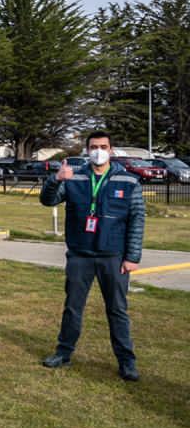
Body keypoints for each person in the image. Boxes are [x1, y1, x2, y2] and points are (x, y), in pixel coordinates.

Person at [40, 131, 144, 381]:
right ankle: (63, 352)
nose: (98, 151)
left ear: (111, 150)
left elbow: (137, 219)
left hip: (113, 256)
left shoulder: (128, 180)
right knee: (73, 307)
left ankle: (126, 361)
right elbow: (48, 200)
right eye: (94, 147)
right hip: (80, 255)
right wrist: (56, 179)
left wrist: (132, 257)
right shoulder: (73, 177)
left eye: (103, 147)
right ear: (87, 150)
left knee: (117, 310)